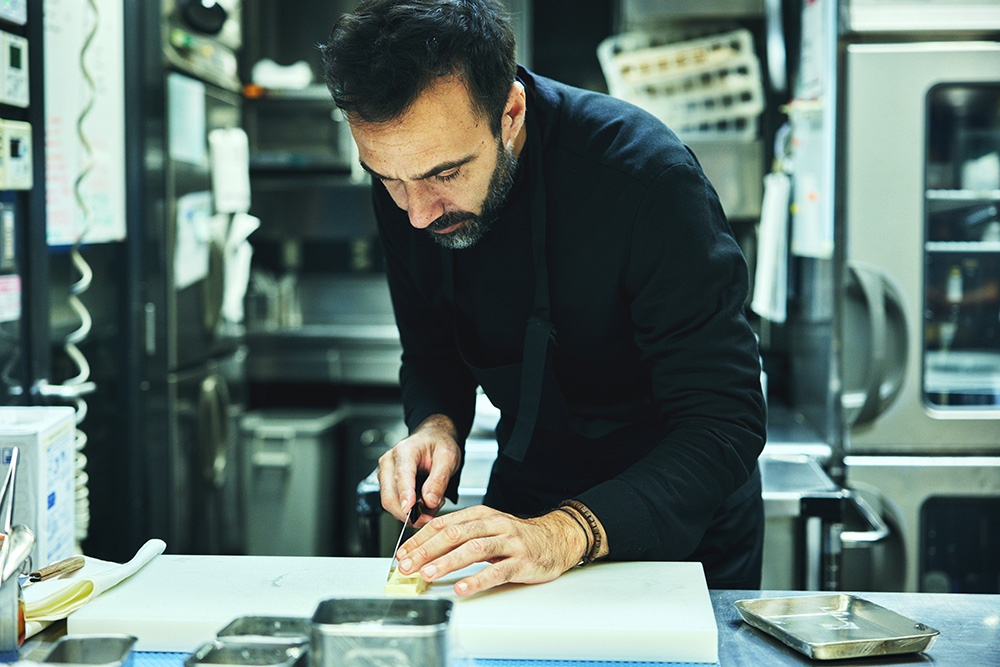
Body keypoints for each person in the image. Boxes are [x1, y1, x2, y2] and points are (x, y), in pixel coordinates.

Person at [321, 0, 766, 596]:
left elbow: (723, 423)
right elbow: (432, 348)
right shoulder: (410, 175)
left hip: (677, 523)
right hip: (524, 512)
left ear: (510, 113)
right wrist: (435, 424)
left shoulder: (646, 179)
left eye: (445, 175)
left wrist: (563, 533)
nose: (418, 213)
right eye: (388, 179)